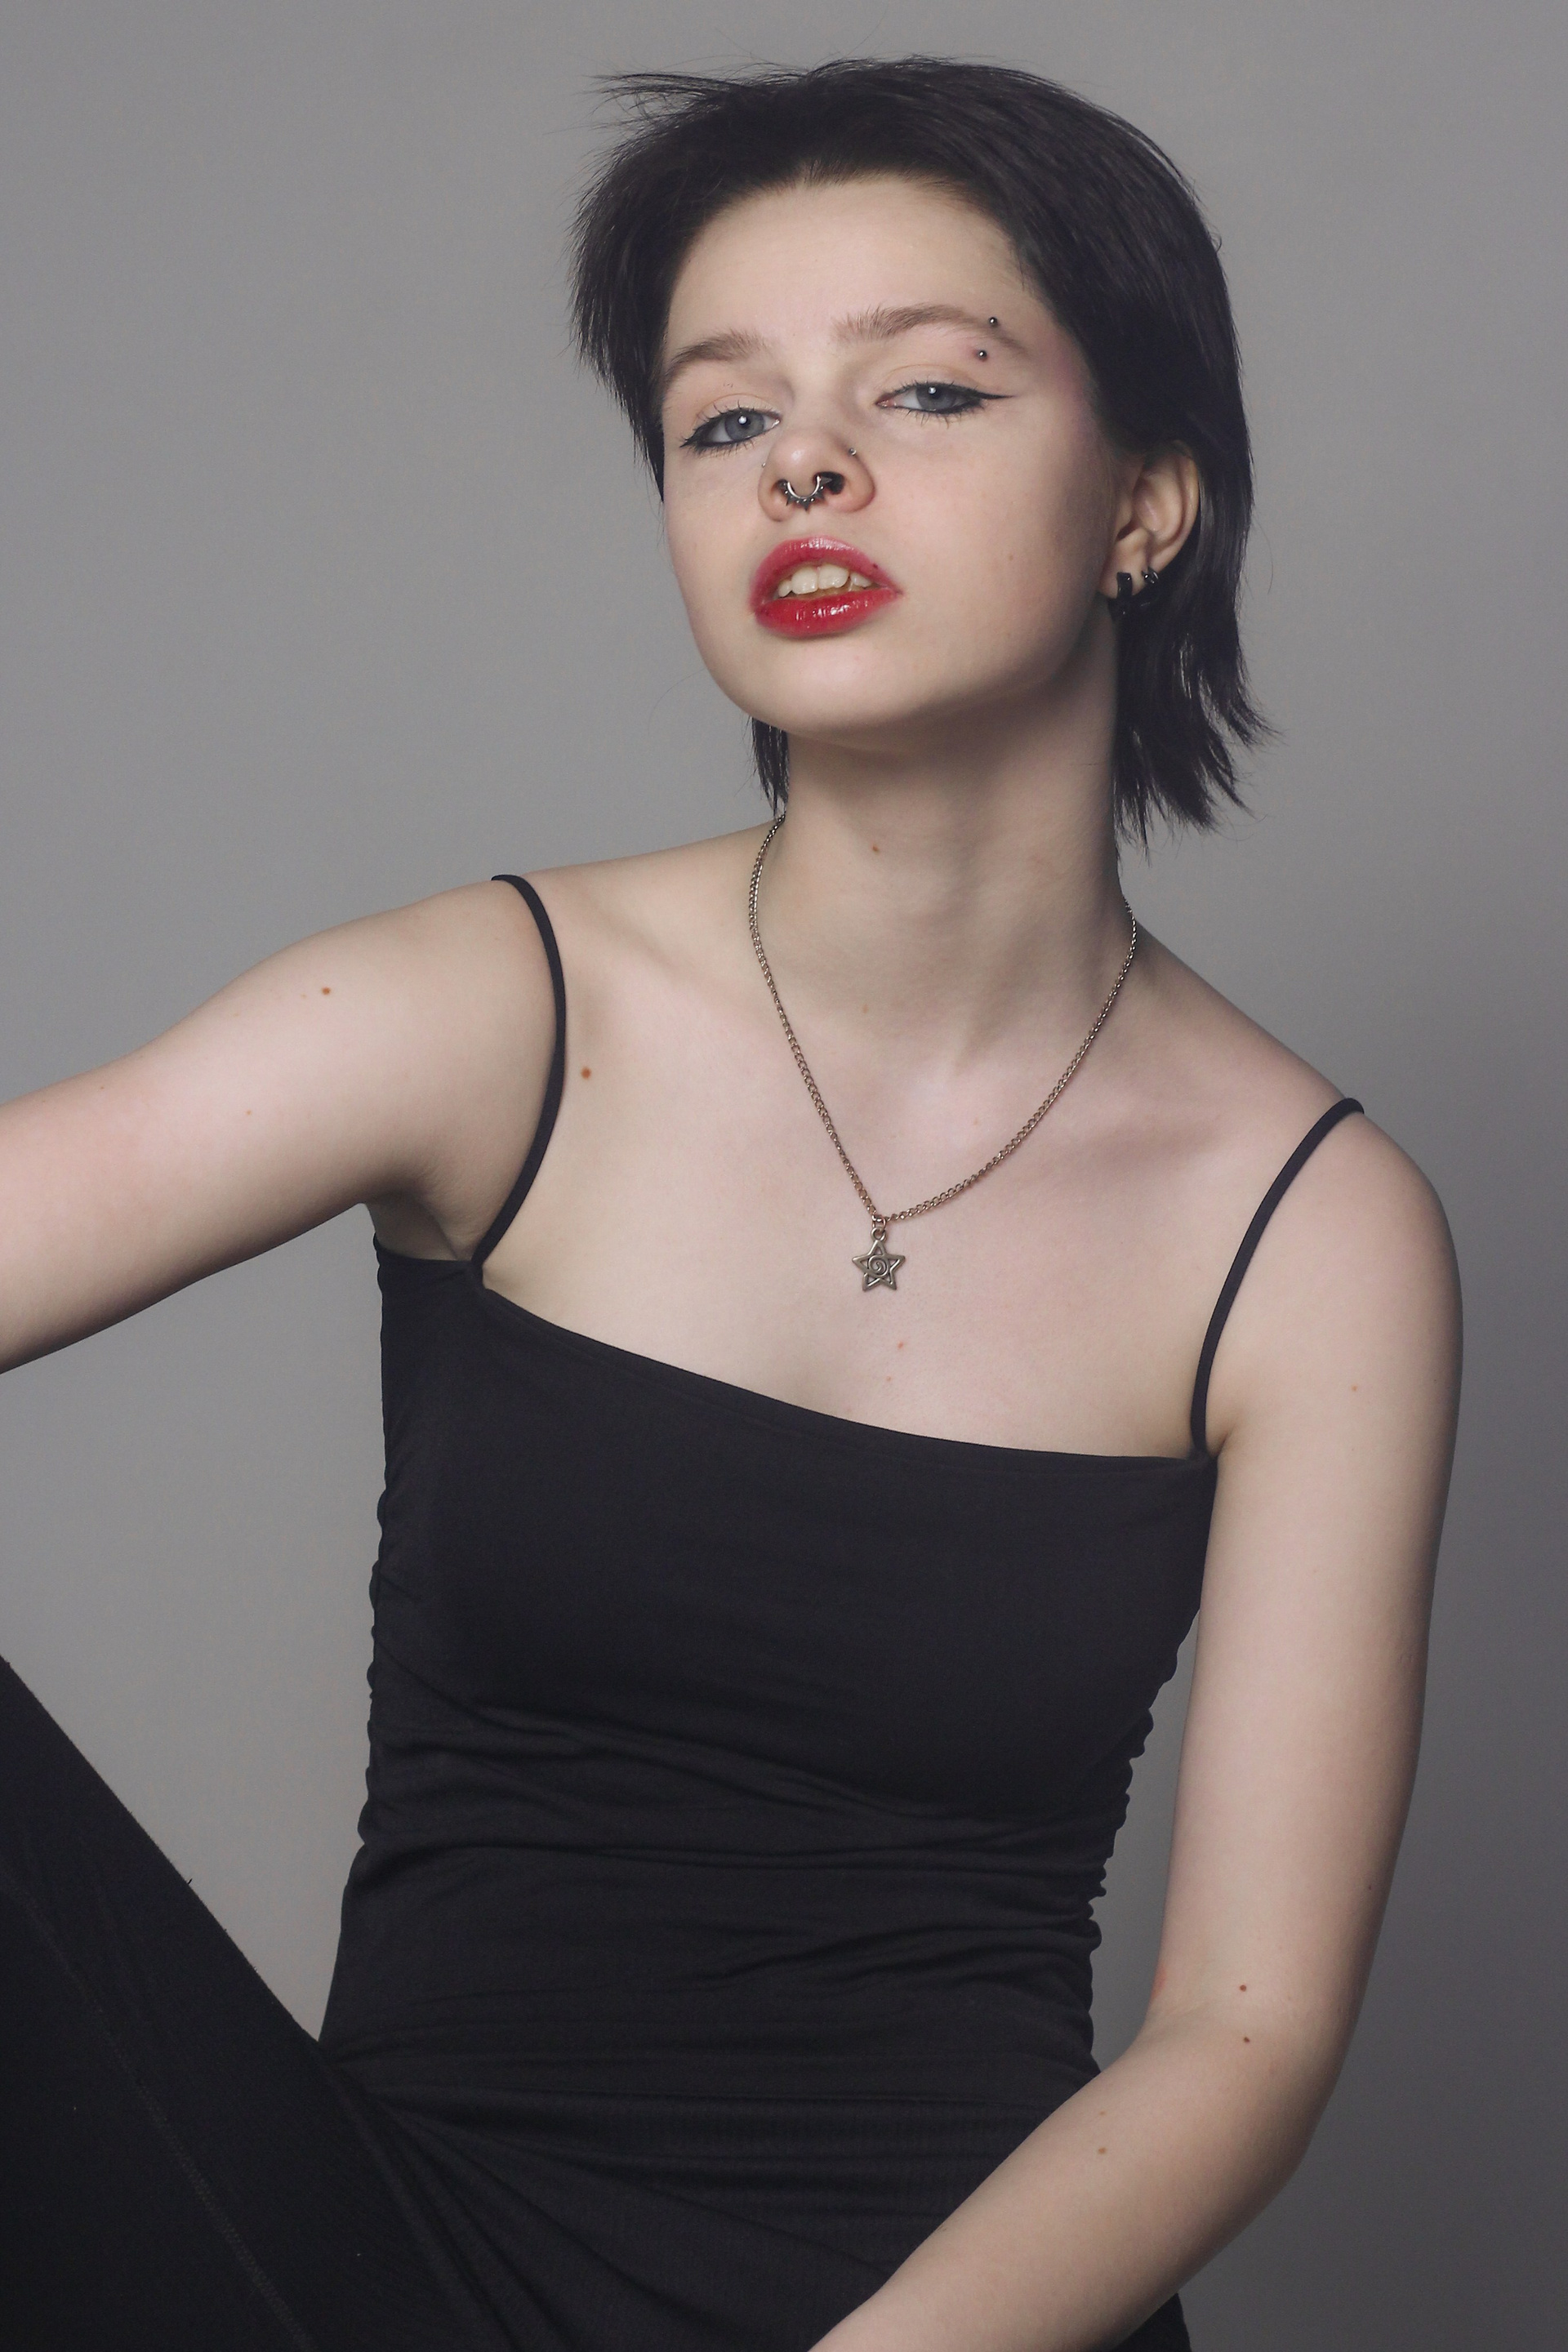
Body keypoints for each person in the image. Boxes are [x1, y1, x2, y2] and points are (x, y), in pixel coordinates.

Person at [0, 56, 1459, 2352]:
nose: (805, 464)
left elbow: (1244, 2037)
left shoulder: (1312, 1229)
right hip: (359, 2272)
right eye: (723, 418)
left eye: (931, 390)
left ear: (1146, 501)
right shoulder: (490, 1009)